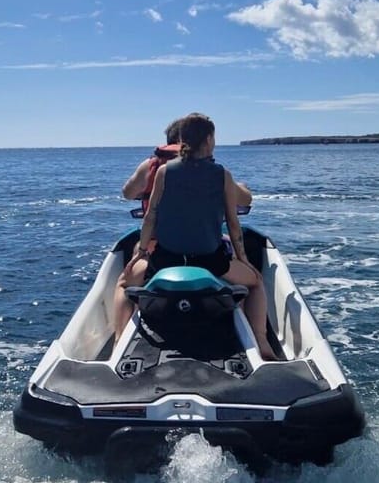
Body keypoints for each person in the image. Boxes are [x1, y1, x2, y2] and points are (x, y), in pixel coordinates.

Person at [112, 113, 277, 360]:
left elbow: (151, 217)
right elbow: (233, 224)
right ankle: (262, 343)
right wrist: (243, 259)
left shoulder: (164, 172)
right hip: (211, 261)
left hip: (165, 260)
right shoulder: (222, 174)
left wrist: (142, 253)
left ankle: (117, 345)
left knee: (123, 284)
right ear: (209, 139)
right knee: (255, 283)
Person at [123, 119, 254, 213]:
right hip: (204, 242)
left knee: (138, 247)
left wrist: (147, 191)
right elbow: (245, 200)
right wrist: (242, 187)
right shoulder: (211, 169)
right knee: (231, 248)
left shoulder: (151, 166)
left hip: (158, 240)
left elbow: (128, 193)